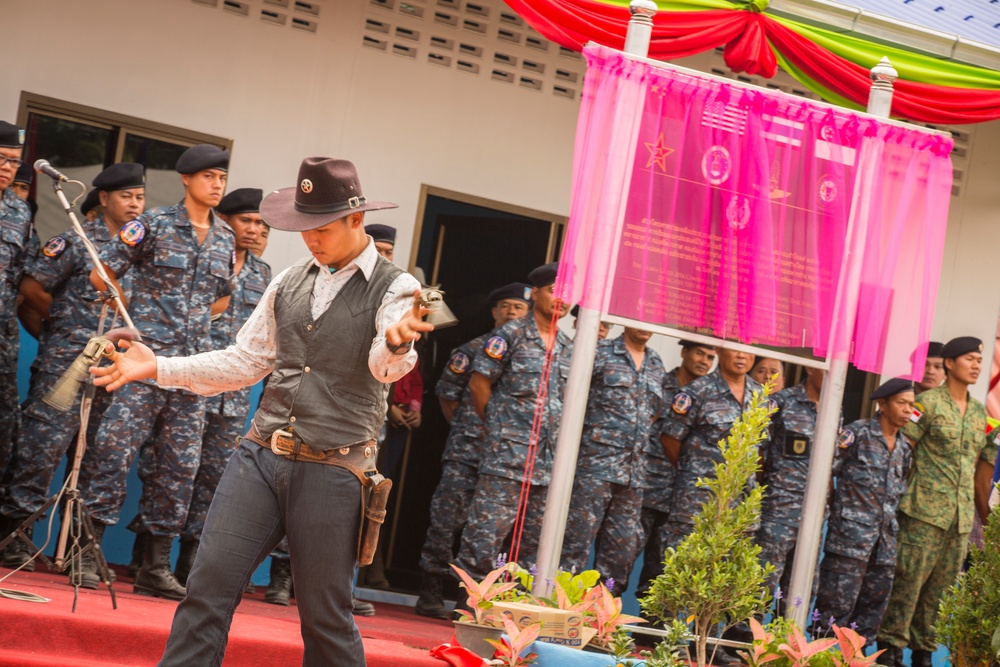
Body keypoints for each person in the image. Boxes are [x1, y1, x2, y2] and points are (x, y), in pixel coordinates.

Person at [90, 156, 429, 666]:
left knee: (324, 616)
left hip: (335, 467)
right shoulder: (289, 280)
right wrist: (157, 366)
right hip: (260, 457)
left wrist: (399, 345)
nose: (310, 239)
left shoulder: (396, 287)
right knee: (205, 590)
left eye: (321, 228)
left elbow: (385, 364)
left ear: (355, 219)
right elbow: (245, 361)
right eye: (302, 227)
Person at [80, 144, 234, 600]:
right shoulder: (153, 224)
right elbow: (101, 276)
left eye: (222, 177)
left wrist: (195, 321)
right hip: (141, 365)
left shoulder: (225, 237)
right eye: (208, 176)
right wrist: (137, 321)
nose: (217, 184)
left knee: (179, 469)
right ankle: (85, 552)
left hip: (188, 370)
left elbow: (221, 296)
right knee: (112, 453)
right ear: (186, 180)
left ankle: (154, 565)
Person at [1, 163, 146, 579]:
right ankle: (15, 533)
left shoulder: (134, 248)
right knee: (41, 449)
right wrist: (64, 329)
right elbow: (32, 287)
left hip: (112, 370)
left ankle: (79, 545)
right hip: (67, 361)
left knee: (99, 458)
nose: (135, 204)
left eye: (139, 197)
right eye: (126, 197)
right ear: (103, 199)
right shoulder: (77, 241)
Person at [878, 337, 998, 667]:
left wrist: (985, 518)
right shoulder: (925, 404)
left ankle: (923, 651)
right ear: (949, 363)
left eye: (979, 359)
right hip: (922, 513)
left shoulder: (978, 413)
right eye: (969, 359)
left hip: (959, 520)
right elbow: (901, 450)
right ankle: (890, 646)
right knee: (908, 582)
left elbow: (982, 467)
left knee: (940, 590)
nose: (976, 365)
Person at [414, 281, 531, 618]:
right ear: (494, 312)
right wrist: (472, 430)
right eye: (505, 306)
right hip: (468, 452)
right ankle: (431, 590)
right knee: (447, 519)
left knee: (487, 528)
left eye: (518, 307)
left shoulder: (536, 355)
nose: (511, 312)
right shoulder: (472, 350)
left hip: (507, 460)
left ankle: (470, 597)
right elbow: (447, 396)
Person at [173, 188, 271, 586]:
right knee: (175, 472)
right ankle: (154, 559)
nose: (254, 229)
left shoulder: (263, 275)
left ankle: (192, 567)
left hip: (232, 397)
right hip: (192, 385)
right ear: (226, 220)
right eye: (246, 220)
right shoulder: (206, 258)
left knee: (215, 480)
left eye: (262, 224)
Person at [453, 263, 571, 582]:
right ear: (535, 294)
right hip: (505, 457)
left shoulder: (569, 347)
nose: (561, 298)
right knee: (485, 534)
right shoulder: (511, 334)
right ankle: (470, 605)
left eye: (567, 292)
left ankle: (512, 608)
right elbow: (479, 384)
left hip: (546, 466)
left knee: (531, 544)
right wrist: (498, 430)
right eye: (552, 290)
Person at [561, 327, 665, 596]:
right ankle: (557, 611)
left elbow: (653, 413)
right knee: (575, 545)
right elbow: (570, 398)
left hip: (634, 474)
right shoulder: (601, 351)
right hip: (595, 467)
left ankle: (601, 621)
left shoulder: (655, 362)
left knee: (619, 554)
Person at [812, 378, 914, 641]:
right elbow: (825, 472)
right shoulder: (856, 434)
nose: (907, 410)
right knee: (833, 610)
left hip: (884, 546)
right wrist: (836, 510)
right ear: (882, 403)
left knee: (870, 613)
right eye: (901, 403)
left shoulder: (904, 448)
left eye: (911, 405)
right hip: (849, 541)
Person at [658, 348, 762, 551]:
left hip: (739, 507)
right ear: (720, 351)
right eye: (735, 348)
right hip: (697, 504)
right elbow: (670, 439)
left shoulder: (760, 396)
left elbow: (760, 449)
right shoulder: (696, 391)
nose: (742, 355)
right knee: (684, 569)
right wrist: (695, 474)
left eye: (748, 349)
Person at [637, 340, 715, 598]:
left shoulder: (710, 396)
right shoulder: (660, 384)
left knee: (663, 568)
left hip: (684, 499)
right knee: (622, 558)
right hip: (648, 487)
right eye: (700, 353)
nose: (704, 361)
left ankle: (651, 633)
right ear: (684, 353)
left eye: (710, 357)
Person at [756, 366, 828, 609]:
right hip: (779, 510)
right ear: (811, 367)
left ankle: (786, 642)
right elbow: (757, 451)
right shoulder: (782, 402)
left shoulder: (833, 409)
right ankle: (742, 639)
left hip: (812, 516)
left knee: (801, 589)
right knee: (762, 579)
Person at [0, 121, 34, 483]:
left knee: (5, 432)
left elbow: (22, 275)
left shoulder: (19, 211)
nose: (7, 168)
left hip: (2, 342)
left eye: (13, 161)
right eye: (1, 159)